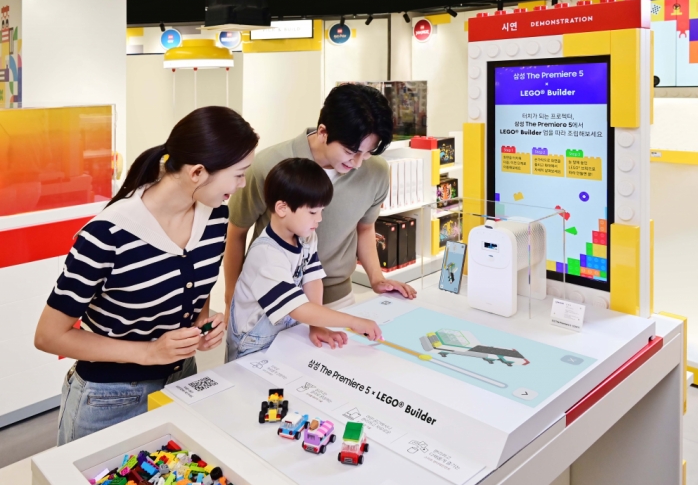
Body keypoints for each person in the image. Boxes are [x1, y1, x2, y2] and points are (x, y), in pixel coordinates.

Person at [34, 106, 259, 445]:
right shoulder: (107, 235)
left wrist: (199, 327)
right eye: (239, 174)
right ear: (197, 172)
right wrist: (149, 352)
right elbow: (48, 336)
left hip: (182, 382)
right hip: (109, 398)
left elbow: (196, 291)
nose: (242, 185)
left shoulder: (216, 217)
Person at [224, 84, 417, 329]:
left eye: (367, 153)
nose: (358, 163)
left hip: (338, 300)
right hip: (269, 303)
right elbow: (236, 232)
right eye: (351, 151)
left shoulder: (376, 172)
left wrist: (377, 279)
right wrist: (231, 298)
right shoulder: (269, 164)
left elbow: (365, 229)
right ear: (323, 132)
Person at [227, 158, 382, 360]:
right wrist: (353, 321)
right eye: (312, 212)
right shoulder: (265, 256)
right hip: (252, 345)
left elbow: (312, 278)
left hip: (283, 334)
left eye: (321, 211)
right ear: (282, 208)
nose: (319, 219)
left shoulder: (306, 237)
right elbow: (297, 308)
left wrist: (316, 325)